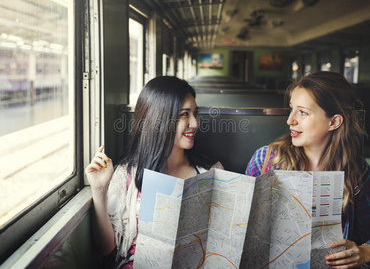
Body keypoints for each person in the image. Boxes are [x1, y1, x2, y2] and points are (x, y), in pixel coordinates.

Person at [85, 76, 222, 268]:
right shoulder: (127, 175)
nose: (195, 123)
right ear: (160, 120)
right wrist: (99, 191)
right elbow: (106, 248)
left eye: (195, 113)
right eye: (184, 114)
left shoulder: (211, 171)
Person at [245, 71, 370, 268]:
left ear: (334, 122)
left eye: (303, 112)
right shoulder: (266, 160)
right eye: (292, 109)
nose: (290, 120)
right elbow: (243, 229)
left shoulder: (358, 171)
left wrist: (364, 252)